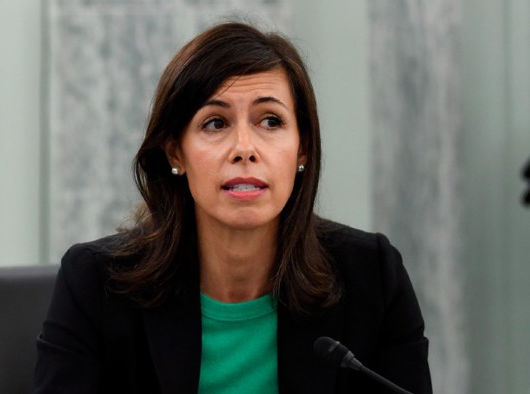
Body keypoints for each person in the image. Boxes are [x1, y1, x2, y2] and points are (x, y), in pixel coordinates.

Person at [32, 21, 431, 394]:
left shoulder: (372, 278)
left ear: (302, 149)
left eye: (271, 121)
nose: (244, 149)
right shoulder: (96, 284)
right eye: (215, 123)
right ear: (176, 152)